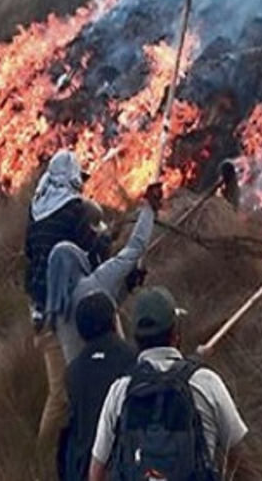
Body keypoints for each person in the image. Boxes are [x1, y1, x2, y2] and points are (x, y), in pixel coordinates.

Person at [39, 182, 160, 447]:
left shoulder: (57, 309)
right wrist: (149, 210)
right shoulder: (93, 283)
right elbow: (135, 247)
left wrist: (126, 289)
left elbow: (101, 309)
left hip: (80, 388)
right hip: (110, 377)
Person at [90, 287, 247, 481]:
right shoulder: (206, 382)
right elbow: (238, 452)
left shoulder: (120, 390)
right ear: (176, 333)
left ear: (136, 338)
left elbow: (96, 472)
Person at [27, 150, 110, 446]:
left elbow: (30, 256)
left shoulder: (37, 207)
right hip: (62, 311)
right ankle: (43, 453)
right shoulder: (75, 210)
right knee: (64, 390)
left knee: (65, 385)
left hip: (38, 307)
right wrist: (105, 241)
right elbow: (90, 259)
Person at [61, 293, 136, 481]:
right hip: (122, 466)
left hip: (83, 468)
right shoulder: (133, 360)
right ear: (113, 321)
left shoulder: (73, 372)